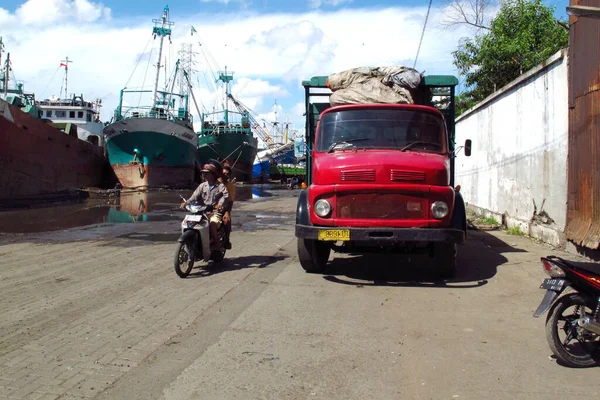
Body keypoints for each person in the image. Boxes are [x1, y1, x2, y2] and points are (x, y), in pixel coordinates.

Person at [181, 163, 229, 251]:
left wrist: (220, 205)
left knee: (212, 225)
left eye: (207, 173)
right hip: (203, 211)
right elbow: (194, 196)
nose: (205, 175)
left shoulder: (220, 186)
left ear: (213, 175)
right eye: (204, 173)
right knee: (190, 223)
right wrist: (186, 203)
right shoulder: (202, 185)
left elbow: (225, 196)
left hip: (215, 212)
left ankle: (218, 247)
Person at [219, 165, 236, 249]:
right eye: (224, 173)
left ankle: (226, 240)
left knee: (227, 220)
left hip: (222, 208)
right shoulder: (214, 182)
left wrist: (227, 212)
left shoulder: (230, 186)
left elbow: (230, 201)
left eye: (227, 174)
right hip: (210, 207)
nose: (225, 175)